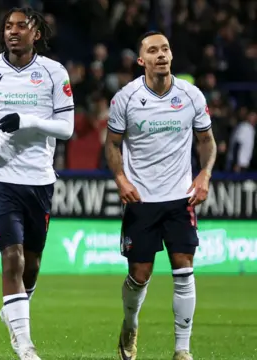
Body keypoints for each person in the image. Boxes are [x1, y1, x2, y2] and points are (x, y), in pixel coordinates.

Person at [0, 7, 73, 360]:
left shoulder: (53, 73)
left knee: (32, 264)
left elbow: (66, 128)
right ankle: (24, 345)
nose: (13, 31)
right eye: (8, 25)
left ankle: (15, 308)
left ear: (36, 33)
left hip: (38, 179)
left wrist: (28, 121)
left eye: (22, 26)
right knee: (13, 258)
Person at [105, 31, 216, 360]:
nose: (161, 55)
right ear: (142, 61)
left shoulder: (191, 95)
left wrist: (204, 174)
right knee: (139, 275)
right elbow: (111, 144)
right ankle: (130, 323)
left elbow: (206, 140)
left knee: (183, 268)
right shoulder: (125, 98)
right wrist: (121, 178)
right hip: (141, 199)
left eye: (165, 49)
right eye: (153, 51)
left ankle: (182, 350)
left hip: (180, 198)